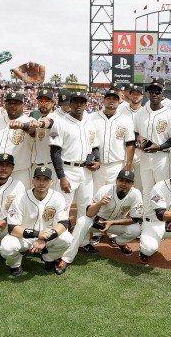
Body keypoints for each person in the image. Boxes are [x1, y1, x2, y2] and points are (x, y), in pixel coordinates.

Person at [55, 169, 143, 274]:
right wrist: (99, 203)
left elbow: (135, 218)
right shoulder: (105, 190)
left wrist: (112, 223)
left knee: (136, 229)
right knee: (82, 221)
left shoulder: (136, 194)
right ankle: (66, 259)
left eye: (128, 182)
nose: (123, 184)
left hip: (115, 225)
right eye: (121, 180)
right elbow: (88, 213)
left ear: (132, 184)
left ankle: (120, 242)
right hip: (97, 223)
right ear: (116, 181)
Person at [48, 90, 101, 253]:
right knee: (62, 208)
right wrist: (61, 176)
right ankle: (56, 242)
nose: (79, 105)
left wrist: (97, 161)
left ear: (86, 104)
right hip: (68, 170)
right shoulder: (60, 122)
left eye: (82, 102)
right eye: (75, 101)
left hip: (86, 171)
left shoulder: (90, 122)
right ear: (69, 104)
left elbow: (95, 147)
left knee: (86, 208)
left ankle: (83, 241)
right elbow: (55, 152)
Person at [0, 167, 73, 277]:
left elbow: (64, 224)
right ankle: (15, 264)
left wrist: (43, 238)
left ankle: (48, 258)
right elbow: (12, 228)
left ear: (51, 182)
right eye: (38, 179)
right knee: (7, 247)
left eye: (45, 180)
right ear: (33, 180)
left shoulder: (58, 197)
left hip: (48, 237)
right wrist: (37, 235)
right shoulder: (20, 198)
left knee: (67, 239)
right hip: (23, 237)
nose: (41, 183)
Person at [133, 78, 171, 204]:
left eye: (157, 92)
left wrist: (159, 147)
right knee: (146, 188)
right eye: (151, 92)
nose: (154, 94)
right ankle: (148, 216)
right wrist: (138, 138)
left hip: (161, 156)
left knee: (161, 188)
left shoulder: (169, 114)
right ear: (147, 94)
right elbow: (135, 131)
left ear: (162, 94)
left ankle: (161, 215)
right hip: (144, 156)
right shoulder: (141, 113)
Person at [90, 89, 135, 190]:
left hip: (117, 165)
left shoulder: (126, 119)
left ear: (119, 101)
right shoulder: (92, 117)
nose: (111, 101)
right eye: (108, 98)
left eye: (115, 99)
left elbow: (130, 144)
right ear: (103, 100)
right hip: (97, 165)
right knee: (95, 197)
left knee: (113, 196)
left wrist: (128, 165)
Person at [31, 89, 57, 178]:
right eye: (41, 101)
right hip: (36, 164)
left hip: (50, 165)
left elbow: (49, 122)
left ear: (53, 103)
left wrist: (40, 124)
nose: (43, 103)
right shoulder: (39, 119)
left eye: (47, 101)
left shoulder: (55, 117)